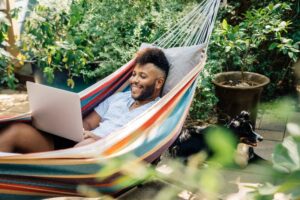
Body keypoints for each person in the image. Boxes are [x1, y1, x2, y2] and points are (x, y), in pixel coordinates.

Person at [0, 47, 170, 153]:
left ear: (158, 83)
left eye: (143, 76)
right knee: (16, 131)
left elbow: (134, 142)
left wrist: (96, 139)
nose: (134, 80)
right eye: (133, 74)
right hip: (77, 146)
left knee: (83, 148)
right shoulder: (118, 98)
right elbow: (88, 123)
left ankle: (33, 171)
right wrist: (75, 129)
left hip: (102, 158)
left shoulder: (158, 111)